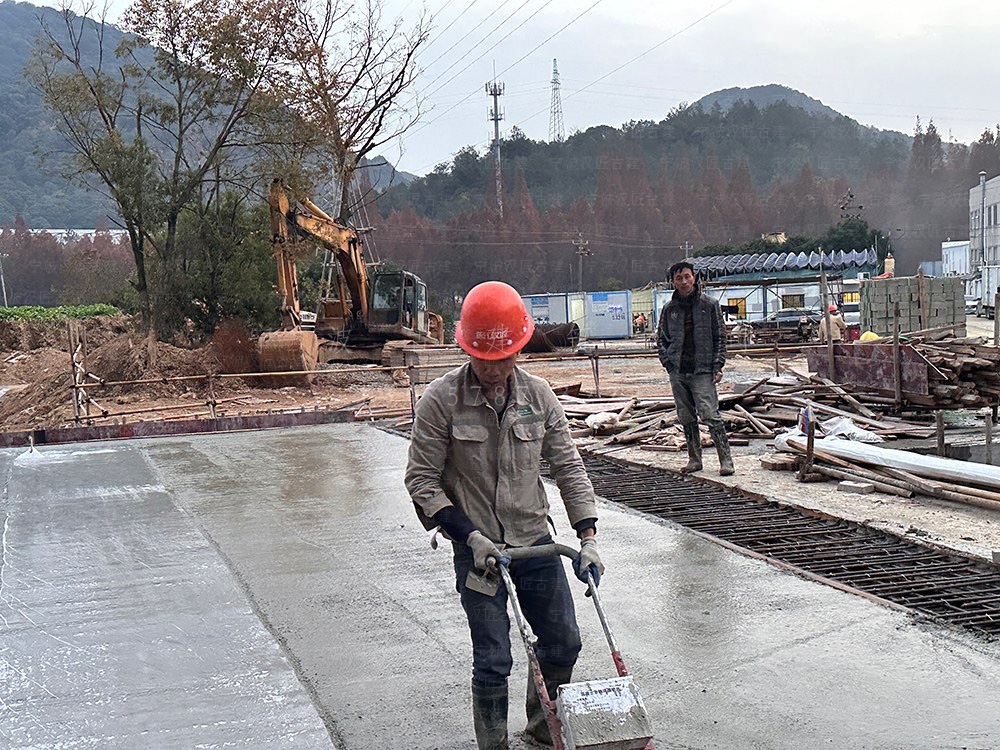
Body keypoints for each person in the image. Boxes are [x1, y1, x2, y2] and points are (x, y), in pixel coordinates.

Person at [405, 280, 604, 750]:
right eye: (486, 359)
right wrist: (467, 536)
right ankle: (493, 744)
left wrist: (588, 535)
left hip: (536, 542)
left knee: (564, 642)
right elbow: (421, 481)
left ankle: (541, 730)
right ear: (468, 350)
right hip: (481, 553)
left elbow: (568, 467)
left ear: (520, 349)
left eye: (506, 357)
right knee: (493, 657)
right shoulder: (441, 400)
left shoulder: (539, 397)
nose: (496, 369)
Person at [656, 261, 734, 476]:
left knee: (710, 414)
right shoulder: (669, 309)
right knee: (686, 416)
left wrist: (718, 365)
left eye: (687, 277)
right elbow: (661, 339)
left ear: (695, 277)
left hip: (703, 370)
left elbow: (720, 337)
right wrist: (668, 363)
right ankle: (694, 459)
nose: (684, 282)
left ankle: (726, 461)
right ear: (672, 281)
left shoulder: (710, 305)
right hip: (678, 370)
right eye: (679, 278)